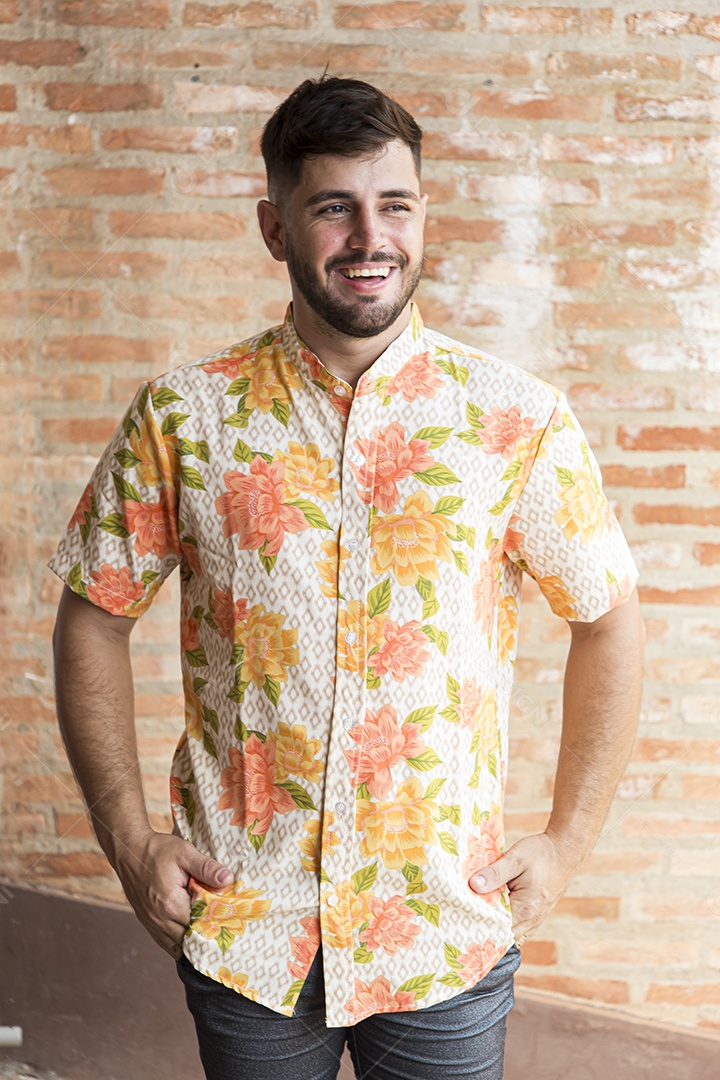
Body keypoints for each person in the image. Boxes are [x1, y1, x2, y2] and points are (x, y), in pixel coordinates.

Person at [50, 76, 645, 1080]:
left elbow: (611, 618)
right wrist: (126, 837)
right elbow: (91, 616)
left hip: (443, 934)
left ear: (422, 216)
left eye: (395, 204)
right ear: (274, 227)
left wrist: (568, 841)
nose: (371, 236)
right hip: (248, 928)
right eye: (334, 207)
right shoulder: (186, 418)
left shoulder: (513, 420)